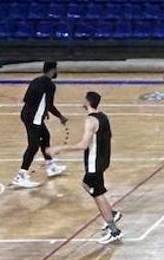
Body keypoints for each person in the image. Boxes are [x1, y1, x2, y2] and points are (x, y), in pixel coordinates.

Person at [50, 91, 123, 245]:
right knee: (86, 184)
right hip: (103, 160)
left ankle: (114, 230)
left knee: (98, 195)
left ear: (88, 102)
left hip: (94, 163)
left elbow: (83, 145)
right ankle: (112, 213)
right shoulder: (103, 116)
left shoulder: (90, 121)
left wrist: (59, 149)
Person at [11, 61, 68, 189]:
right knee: (33, 146)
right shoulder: (50, 85)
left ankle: (50, 166)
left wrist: (43, 111)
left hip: (27, 113)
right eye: (56, 69)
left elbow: (27, 99)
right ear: (52, 70)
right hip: (34, 118)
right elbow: (50, 104)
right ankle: (21, 174)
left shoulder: (35, 80)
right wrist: (60, 116)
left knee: (46, 136)